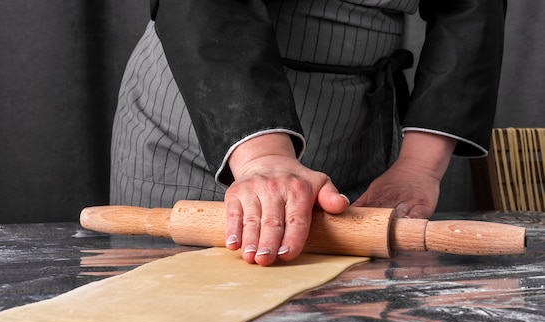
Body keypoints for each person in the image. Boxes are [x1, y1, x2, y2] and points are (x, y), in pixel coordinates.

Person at [110, 0, 507, 266]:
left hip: (359, 123)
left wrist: (419, 166)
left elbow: (474, 8)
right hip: (210, 112)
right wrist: (263, 157)